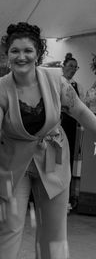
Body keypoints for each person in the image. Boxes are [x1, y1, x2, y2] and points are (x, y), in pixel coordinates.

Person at [0, 22, 96, 259]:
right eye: (15, 50)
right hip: (13, 164)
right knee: (8, 227)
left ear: (38, 53)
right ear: (7, 54)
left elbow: (80, 111)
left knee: (55, 227)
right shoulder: (0, 90)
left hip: (53, 159)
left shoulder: (56, 82)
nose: (21, 56)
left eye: (28, 50)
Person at [59, 53, 82, 209]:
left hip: (71, 126)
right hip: (57, 126)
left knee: (67, 161)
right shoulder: (57, 82)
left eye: (75, 67)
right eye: (70, 66)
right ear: (63, 67)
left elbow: (81, 107)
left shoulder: (76, 86)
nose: (73, 69)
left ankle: (65, 198)